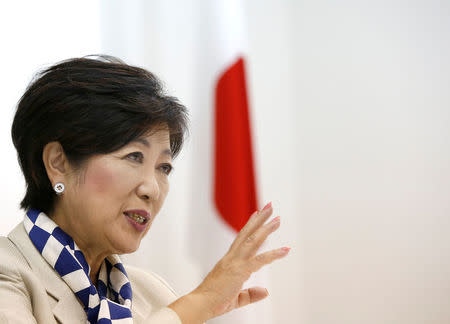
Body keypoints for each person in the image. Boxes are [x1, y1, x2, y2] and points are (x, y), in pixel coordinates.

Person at [0, 56, 290, 324]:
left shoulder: (151, 292)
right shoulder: (8, 271)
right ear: (58, 163)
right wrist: (199, 303)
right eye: (134, 157)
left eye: (163, 167)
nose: (152, 189)